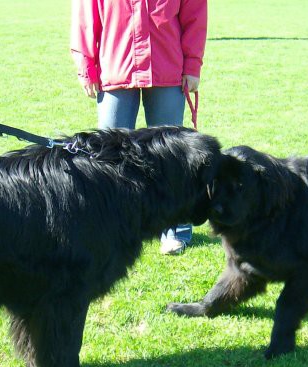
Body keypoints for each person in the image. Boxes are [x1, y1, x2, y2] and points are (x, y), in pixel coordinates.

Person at [71, 0, 207, 255]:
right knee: (108, 159)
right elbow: (85, 16)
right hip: (116, 66)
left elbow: (195, 15)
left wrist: (193, 64)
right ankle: (112, 228)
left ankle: (174, 229)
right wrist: (85, 67)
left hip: (167, 66)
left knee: (172, 155)